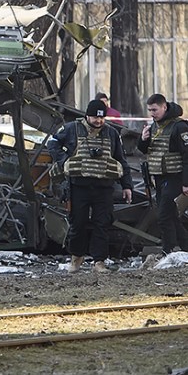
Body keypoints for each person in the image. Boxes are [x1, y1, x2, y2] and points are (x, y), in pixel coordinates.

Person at [47, 99, 133, 273]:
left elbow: (121, 160)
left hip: (104, 187)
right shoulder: (72, 129)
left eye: (102, 118)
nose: (99, 121)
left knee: (102, 224)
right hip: (79, 186)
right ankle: (76, 258)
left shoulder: (111, 133)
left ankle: (99, 262)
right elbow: (52, 143)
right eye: (95, 117)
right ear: (87, 115)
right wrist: (65, 161)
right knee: (77, 223)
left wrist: (127, 186)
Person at [137, 93, 188, 255]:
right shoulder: (153, 126)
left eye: (155, 110)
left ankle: (168, 250)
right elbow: (146, 150)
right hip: (159, 177)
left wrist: (186, 183)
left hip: (175, 177)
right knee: (171, 216)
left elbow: (187, 156)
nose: (152, 113)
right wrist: (143, 140)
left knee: (163, 215)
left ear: (164, 107)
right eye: (150, 110)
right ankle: (185, 247)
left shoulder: (179, 127)